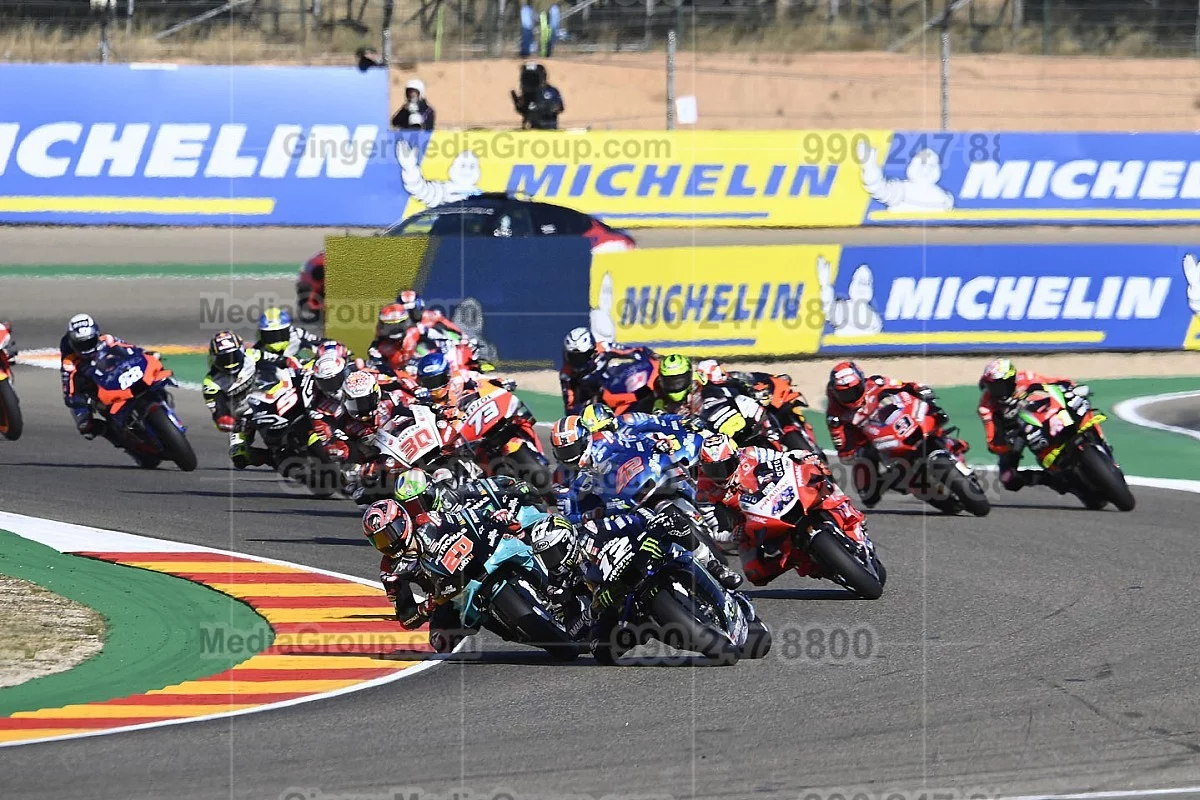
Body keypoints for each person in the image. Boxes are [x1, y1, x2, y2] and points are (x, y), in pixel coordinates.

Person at [698, 440, 853, 588]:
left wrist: (802, 456)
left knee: (820, 480)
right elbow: (715, 533)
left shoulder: (751, 453)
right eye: (713, 470)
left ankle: (849, 514)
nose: (720, 474)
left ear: (736, 457)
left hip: (779, 494)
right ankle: (796, 560)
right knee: (755, 574)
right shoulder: (704, 494)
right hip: (750, 523)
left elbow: (784, 458)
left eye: (725, 466)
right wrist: (733, 535)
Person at [824, 360, 948, 508]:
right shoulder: (835, 416)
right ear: (835, 393)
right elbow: (843, 449)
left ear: (862, 382)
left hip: (892, 422)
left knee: (936, 413)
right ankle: (895, 479)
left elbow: (904, 385)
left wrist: (921, 389)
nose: (851, 396)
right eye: (844, 394)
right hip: (868, 441)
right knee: (868, 496)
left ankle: (946, 443)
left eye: (855, 390)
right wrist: (852, 451)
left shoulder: (876, 383)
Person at [977, 357, 1089, 493]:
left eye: (999, 385)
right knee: (1007, 478)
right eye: (991, 386)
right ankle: (1051, 479)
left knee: (1078, 403)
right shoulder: (986, 406)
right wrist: (1006, 443)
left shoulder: (1025, 377)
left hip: (1043, 412)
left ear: (1011, 380)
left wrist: (1068, 386)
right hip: (1017, 433)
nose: (995, 391)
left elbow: (1053, 381)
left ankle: (1095, 437)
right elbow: (992, 440)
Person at [59, 313, 138, 451]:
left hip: (118, 376)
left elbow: (130, 348)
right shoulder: (69, 361)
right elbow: (69, 389)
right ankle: (119, 440)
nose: (86, 348)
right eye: (81, 345)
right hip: (95, 387)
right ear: (72, 344)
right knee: (85, 427)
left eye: (89, 342)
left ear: (96, 334)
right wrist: (76, 401)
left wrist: (145, 354)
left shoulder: (107, 340)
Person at [202, 330, 303, 433]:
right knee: (238, 442)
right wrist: (234, 424)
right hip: (244, 419)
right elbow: (219, 415)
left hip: (268, 402)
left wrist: (296, 365)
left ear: (241, 351)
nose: (230, 362)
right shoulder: (210, 384)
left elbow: (280, 360)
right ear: (213, 358)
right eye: (223, 359)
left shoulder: (251, 355)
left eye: (234, 355)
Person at [558, 327, 654, 416]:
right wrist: (590, 403)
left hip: (614, 385)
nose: (577, 361)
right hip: (595, 403)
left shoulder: (604, 347)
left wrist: (649, 355)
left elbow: (634, 351)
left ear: (592, 351)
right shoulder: (566, 374)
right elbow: (570, 408)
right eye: (572, 356)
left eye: (581, 357)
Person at [255, 306, 327, 361]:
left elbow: (322, 343)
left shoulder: (298, 334)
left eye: (279, 334)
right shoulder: (259, 349)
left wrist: (300, 358)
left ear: (288, 330)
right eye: (269, 335)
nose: (275, 339)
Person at [511, 62, 563, 130]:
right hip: (531, 130)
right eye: (527, 78)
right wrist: (519, 106)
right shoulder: (527, 94)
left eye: (534, 77)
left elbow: (559, 108)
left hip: (548, 129)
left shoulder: (551, 91)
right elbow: (524, 111)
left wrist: (544, 107)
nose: (531, 81)